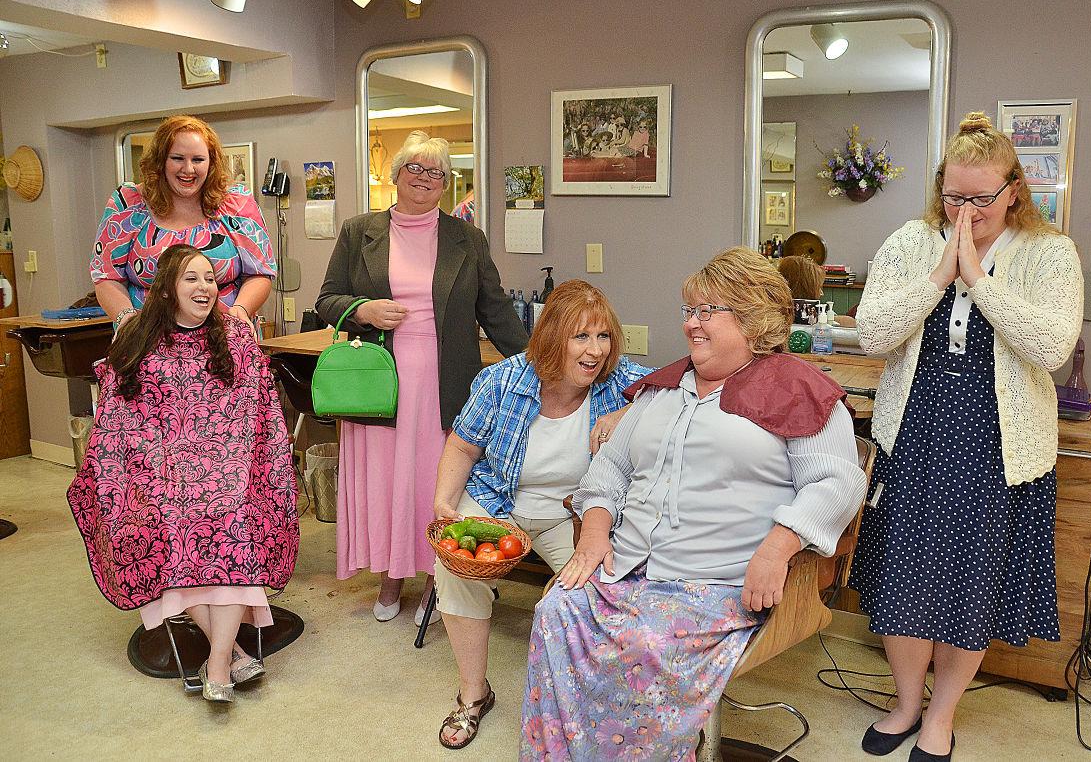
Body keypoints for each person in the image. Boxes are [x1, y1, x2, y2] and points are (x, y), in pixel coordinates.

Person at [520, 248, 866, 760]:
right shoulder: (661, 390)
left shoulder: (798, 391)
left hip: (716, 583)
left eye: (707, 311)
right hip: (627, 567)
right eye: (689, 311)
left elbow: (836, 483)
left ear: (751, 318)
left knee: (646, 643)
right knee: (556, 609)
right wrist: (593, 532)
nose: (690, 324)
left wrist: (779, 545)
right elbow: (608, 470)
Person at [848, 112, 1084, 760]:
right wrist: (938, 277)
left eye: (982, 198)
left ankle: (941, 715)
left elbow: (1052, 347)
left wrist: (977, 278)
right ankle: (905, 703)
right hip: (916, 430)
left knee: (968, 585)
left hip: (998, 443)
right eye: (954, 196)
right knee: (903, 578)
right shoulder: (909, 241)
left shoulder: (1050, 253)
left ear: (1014, 189)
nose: (967, 211)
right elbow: (873, 333)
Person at [67, 244, 299, 703]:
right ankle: (229, 655)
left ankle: (218, 666)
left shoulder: (235, 339)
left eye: (210, 278)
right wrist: (154, 470)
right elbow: (121, 418)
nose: (205, 287)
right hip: (162, 472)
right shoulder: (138, 342)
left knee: (232, 517)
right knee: (166, 524)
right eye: (192, 278)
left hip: (229, 468)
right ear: (167, 289)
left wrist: (230, 465)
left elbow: (255, 412)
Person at [316, 131, 528, 624]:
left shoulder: (467, 238)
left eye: (437, 172)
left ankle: (439, 578)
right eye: (415, 167)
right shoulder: (358, 231)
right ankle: (390, 576)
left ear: (446, 183)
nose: (425, 178)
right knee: (387, 484)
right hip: (379, 385)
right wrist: (363, 309)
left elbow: (495, 309)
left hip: (445, 382)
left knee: (436, 482)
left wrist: (539, 363)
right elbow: (326, 300)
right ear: (396, 175)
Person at [431, 280, 650, 749]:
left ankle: (590, 702)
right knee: (453, 569)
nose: (595, 350)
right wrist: (445, 503)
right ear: (553, 338)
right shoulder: (502, 381)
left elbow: (680, 381)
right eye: (581, 337)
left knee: (601, 590)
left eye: (603, 336)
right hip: (498, 501)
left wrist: (627, 413)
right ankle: (473, 694)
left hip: (572, 512)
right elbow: (463, 446)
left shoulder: (621, 381)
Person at [92, 115, 275, 334]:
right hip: (148, 339)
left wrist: (241, 310)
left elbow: (260, 273)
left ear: (211, 163)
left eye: (198, 160)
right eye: (177, 158)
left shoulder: (237, 204)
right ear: (160, 160)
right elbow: (106, 277)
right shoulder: (128, 204)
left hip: (224, 337)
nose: (188, 169)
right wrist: (126, 318)